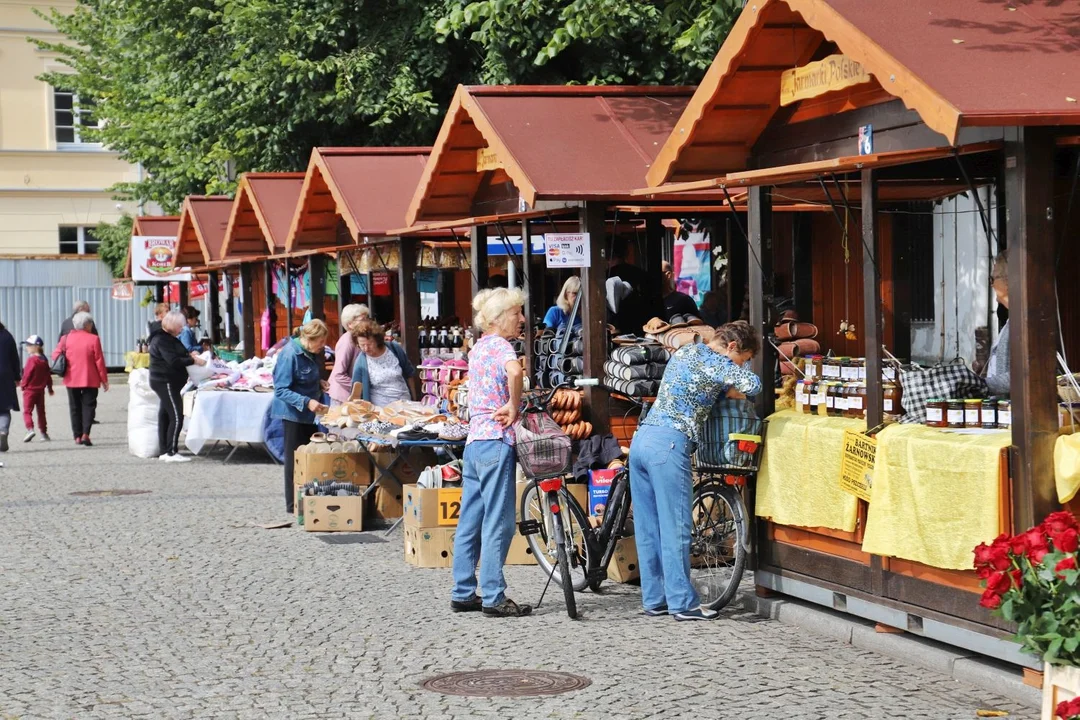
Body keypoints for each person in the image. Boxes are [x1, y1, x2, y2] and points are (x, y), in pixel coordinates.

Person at [630, 320, 762, 621]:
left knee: (649, 527)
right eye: (743, 359)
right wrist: (736, 381)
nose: (742, 366)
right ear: (731, 347)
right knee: (677, 526)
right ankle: (683, 604)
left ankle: (655, 599)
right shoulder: (715, 360)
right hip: (670, 443)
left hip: (643, 439)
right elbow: (753, 385)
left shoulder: (688, 352)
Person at [451, 287, 531, 617]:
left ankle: (462, 591)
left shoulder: (479, 347)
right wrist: (514, 405)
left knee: (470, 519)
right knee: (499, 522)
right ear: (499, 319)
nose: (522, 319)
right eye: (516, 313)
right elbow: (515, 372)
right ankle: (495, 595)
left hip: (474, 442)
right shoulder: (500, 345)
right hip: (496, 440)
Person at [272, 320, 330, 515]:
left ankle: (307, 500)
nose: (323, 346)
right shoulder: (290, 355)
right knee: (294, 459)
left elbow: (303, 378)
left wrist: (319, 383)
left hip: (308, 414)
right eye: (321, 342)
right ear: (309, 338)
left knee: (310, 457)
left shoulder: (309, 352)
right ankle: (292, 505)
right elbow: (280, 389)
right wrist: (307, 401)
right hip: (293, 415)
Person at [149, 310, 207, 462]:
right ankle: (171, 452)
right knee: (176, 415)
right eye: (180, 326)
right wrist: (193, 360)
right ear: (173, 326)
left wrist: (189, 355)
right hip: (165, 380)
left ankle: (164, 450)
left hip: (164, 380)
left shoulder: (166, 337)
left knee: (165, 414)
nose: (182, 329)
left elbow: (178, 355)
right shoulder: (163, 340)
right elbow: (173, 361)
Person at [52, 311, 109, 447]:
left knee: (74, 406)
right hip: (91, 378)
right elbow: (99, 361)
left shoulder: (66, 338)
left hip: (71, 378)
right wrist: (104, 380)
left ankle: (77, 436)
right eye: (91, 323)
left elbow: (55, 355)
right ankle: (86, 434)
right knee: (89, 406)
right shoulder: (94, 339)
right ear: (87, 325)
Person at [349, 319, 418, 406]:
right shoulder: (360, 362)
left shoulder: (394, 348)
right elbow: (356, 391)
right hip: (380, 410)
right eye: (362, 345)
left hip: (405, 405)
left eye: (369, 344)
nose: (366, 348)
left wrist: (414, 399)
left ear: (377, 340)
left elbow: (409, 374)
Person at [329, 304, 371, 405]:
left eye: (367, 318)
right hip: (343, 397)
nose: (367, 322)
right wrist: (361, 387)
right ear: (350, 324)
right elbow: (339, 374)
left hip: (352, 396)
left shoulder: (358, 338)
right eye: (362, 320)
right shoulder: (347, 341)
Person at [985, 251, 1010, 397]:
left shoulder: (1023, 325)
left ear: (1008, 281)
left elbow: (1021, 376)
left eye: (992, 278)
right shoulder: (1011, 322)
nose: (992, 284)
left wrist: (981, 384)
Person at [19, 335, 53, 443]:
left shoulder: (31, 360)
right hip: (40, 391)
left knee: (27, 411)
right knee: (41, 412)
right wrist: (50, 388)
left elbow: (27, 374)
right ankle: (43, 433)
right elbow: (48, 375)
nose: (27, 347)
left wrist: (23, 385)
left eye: (29, 345)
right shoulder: (44, 360)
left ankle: (30, 429)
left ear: (35, 347)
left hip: (29, 390)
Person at [0, 319, 19, 452]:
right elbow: (14, 358)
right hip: (5, 376)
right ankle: (3, 431)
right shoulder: (7, 335)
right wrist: (17, 376)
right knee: (4, 409)